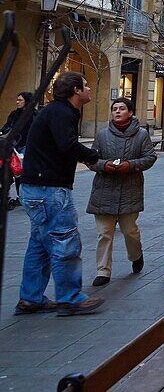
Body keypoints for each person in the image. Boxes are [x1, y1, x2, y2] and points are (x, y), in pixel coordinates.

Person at [17, 72, 102, 316]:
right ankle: (70, 297)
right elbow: (67, 145)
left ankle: (30, 298)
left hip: (35, 186)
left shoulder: (55, 111)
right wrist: (91, 156)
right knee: (65, 241)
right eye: (85, 86)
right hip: (49, 189)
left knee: (39, 245)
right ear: (76, 90)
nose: (88, 90)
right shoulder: (62, 112)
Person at [86, 97, 156, 287]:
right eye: (114, 108)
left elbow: (150, 157)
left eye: (122, 108)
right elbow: (91, 159)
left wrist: (130, 166)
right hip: (104, 191)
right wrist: (103, 165)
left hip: (129, 190)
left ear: (130, 112)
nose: (117, 111)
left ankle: (136, 255)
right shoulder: (102, 135)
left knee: (130, 231)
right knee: (104, 234)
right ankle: (103, 271)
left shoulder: (141, 135)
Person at [2, 91, 36, 209]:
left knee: (20, 171)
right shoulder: (14, 114)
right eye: (17, 100)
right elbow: (7, 127)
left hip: (27, 146)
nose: (17, 102)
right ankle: (8, 196)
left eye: (20, 100)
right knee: (9, 171)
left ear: (26, 101)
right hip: (13, 146)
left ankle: (22, 196)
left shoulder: (33, 115)